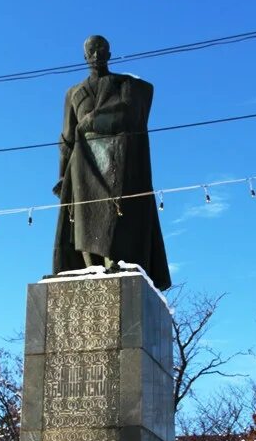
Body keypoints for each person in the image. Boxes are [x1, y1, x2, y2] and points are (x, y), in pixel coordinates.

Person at [52, 35, 171, 291]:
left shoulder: (124, 84)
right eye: (92, 50)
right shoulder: (73, 93)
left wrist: (94, 119)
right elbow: (66, 137)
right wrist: (62, 176)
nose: (97, 54)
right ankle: (89, 268)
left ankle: (113, 261)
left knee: (114, 214)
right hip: (82, 162)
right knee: (83, 218)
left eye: (102, 49)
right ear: (85, 56)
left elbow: (135, 104)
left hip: (117, 157)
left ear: (109, 53)